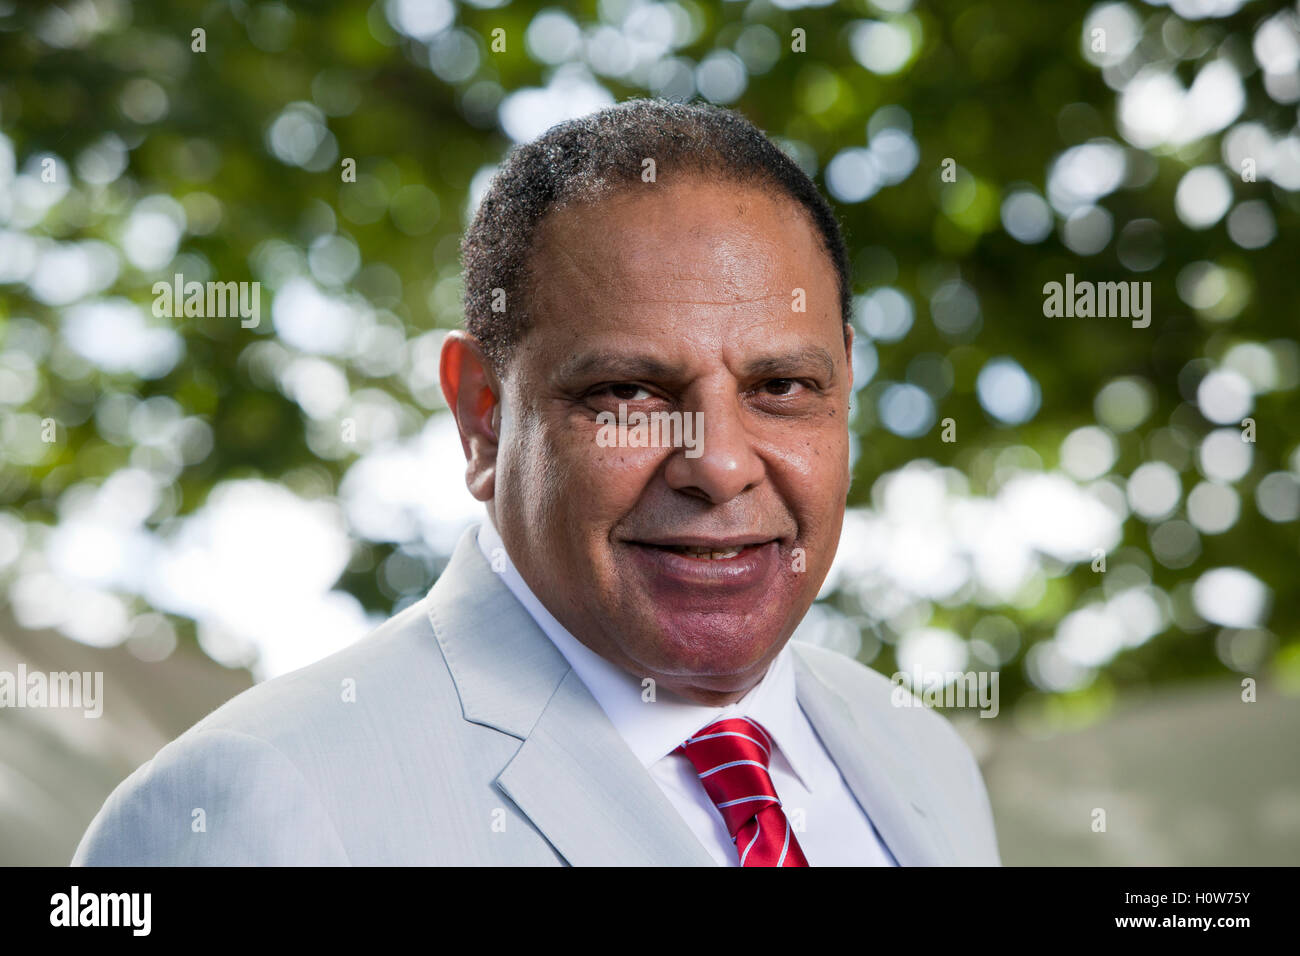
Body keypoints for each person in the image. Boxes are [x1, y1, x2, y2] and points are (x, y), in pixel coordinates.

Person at [74, 100, 1000, 866]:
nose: (718, 464)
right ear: (483, 414)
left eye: (781, 387)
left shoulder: (920, 755)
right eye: (628, 391)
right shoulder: (253, 808)